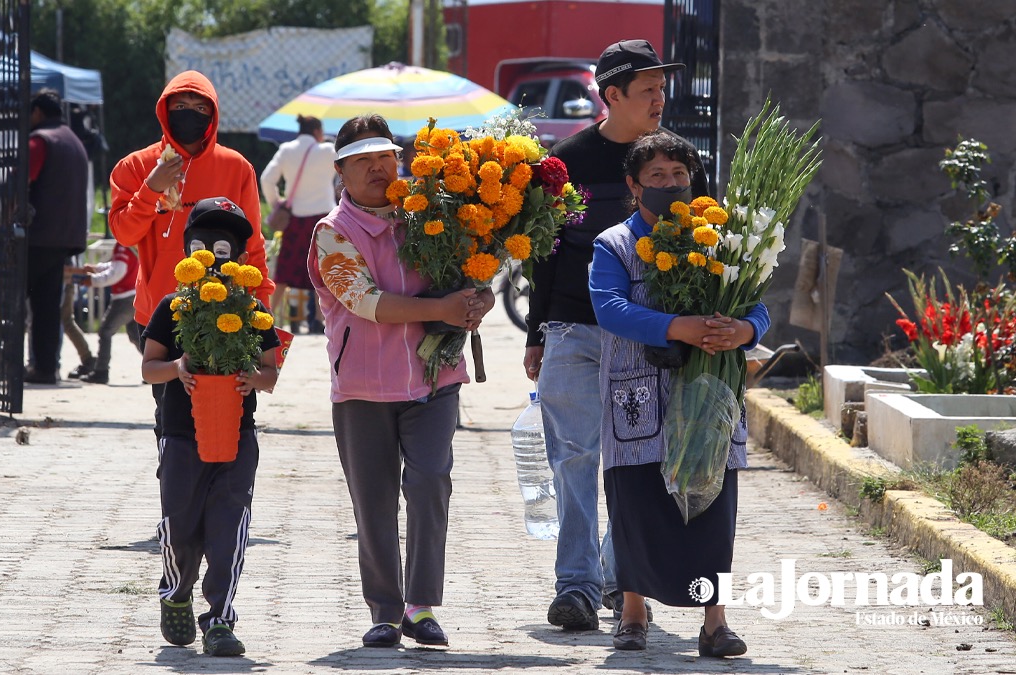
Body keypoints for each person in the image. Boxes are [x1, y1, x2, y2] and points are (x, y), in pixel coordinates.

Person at [523, 38, 710, 631]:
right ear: (612, 96)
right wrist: (536, 332)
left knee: (639, 461)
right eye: (648, 89)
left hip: (651, 337)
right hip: (574, 329)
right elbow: (544, 252)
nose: (660, 98)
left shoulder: (677, 162)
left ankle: (617, 576)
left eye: (662, 88)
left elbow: (705, 244)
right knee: (574, 457)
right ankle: (575, 586)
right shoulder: (567, 161)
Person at [307, 114, 494, 649]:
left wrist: (479, 298)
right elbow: (365, 301)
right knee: (375, 499)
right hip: (363, 387)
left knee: (431, 481)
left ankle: (421, 605)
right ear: (341, 170)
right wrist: (440, 306)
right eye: (363, 160)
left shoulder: (434, 218)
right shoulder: (331, 232)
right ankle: (385, 611)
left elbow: (473, 280)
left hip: (436, 378)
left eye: (385, 158)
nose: (377, 169)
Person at [589, 130, 769, 655]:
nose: (670, 185)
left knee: (712, 508)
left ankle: (715, 623)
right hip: (637, 399)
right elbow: (610, 309)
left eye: (679, 176)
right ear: (634, 186)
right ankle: (633, 612)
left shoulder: (719, 237)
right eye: (657, 177)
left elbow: (757, 301)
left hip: (709, 395)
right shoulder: (614, 245)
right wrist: (678, 326)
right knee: (639, 504)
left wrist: (745, 331)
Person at [142, 197, 281, 657]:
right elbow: (149, 368)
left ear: (240, 258)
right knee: (179, 525)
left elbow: (270, 373)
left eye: (222, 248)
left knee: (228, 524)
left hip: (237, 434)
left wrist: (252, 380)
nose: (212, 257)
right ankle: (177, 590)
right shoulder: (173, 306)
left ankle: (220, 618)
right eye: (201, 245)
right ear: (187, 254)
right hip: (181, 435)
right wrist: (178, 366)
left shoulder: (253, 311)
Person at [109, 70, 274, 332]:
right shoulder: (135, 165)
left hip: (223, 310)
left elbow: (252, 243)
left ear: (212, 116)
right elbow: (125, 235)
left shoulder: (237, 167)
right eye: (181, 106)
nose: (190, 113)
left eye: (200, 107)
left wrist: (261, 301)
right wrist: (152, 188)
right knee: (162, 375)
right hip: (159, 310)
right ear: (166, 111)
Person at [26, 88, 91, 384]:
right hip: (64, 237)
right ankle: (45, 367)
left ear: (37, 112)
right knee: (47, 307)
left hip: (37, 235)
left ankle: (12, 368)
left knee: (18, 305)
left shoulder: (41, 140)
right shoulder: (73, 140)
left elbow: (23, 179)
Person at [260, 114, 337, 334]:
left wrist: (277, 202)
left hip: (295, 217)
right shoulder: (328, 152)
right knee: (321, 267)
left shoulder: (286, 150)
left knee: (285, 269)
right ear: (317, 132)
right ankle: (320, 318)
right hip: (323, 216)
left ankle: (270, 317)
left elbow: (266, 179)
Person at [74, 242, 139, 384]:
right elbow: (115, 266)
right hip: (134, 295)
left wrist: (93, 280)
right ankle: (156, 365)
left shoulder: (123, 245)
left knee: (105, 331)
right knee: (135, 334)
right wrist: (96, 269)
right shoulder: (131, 244)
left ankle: (101, 371)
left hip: (124, 298)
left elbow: (117, 272)